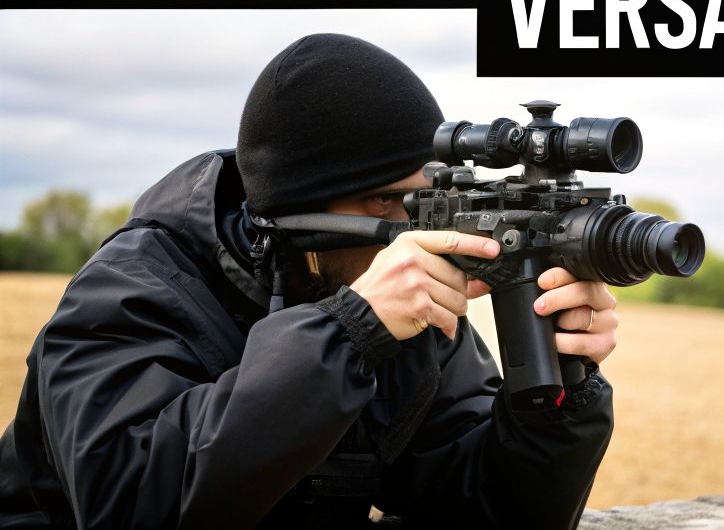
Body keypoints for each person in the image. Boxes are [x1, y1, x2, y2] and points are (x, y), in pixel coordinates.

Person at [0, 34, 619, 527]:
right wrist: (348, 334)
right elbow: (131, 504)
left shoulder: (412, 311)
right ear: (297, 213)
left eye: (426, 199)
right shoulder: (129, 291)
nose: (411, 228)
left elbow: (488, 506)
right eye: (384, 201)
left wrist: (557, 397)